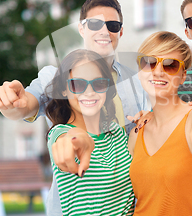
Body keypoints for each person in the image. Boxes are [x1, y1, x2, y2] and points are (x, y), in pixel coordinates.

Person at [0, 0, 148, 215]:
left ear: (120, 31)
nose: (104, 31)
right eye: (94, 24)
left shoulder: (138, 82)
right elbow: (26, 105)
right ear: (81, 29)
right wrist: (12, 103)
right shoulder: (55, 76)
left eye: (112, 25)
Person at [127, 31, 192, 215]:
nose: (158, 71)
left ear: (183, 76)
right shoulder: (137, 132)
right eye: (149, 62)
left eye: (170, 65)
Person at [45, 49, 134, 215]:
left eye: (99, 83)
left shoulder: (117, 132)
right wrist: (77, 139)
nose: (89, 91)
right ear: (64, 90)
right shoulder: (60, 133)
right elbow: (68, 139)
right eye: (77, 84)